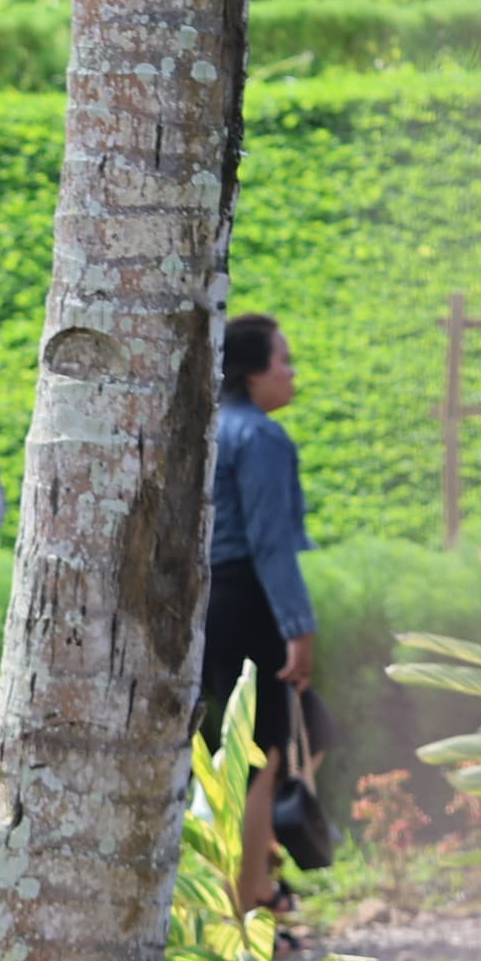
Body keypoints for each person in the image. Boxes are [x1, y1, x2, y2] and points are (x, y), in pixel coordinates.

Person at [202, 314, 318, 912]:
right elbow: (271, 544)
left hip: (204, 601)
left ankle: (229, 887)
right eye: (284, 361)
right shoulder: (262, 438)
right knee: (260, 756)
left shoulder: (203, 428)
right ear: (252, 373)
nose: (293, 373)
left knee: (214, 750)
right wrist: (298, 628)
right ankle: (248, 897)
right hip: (249, 600)